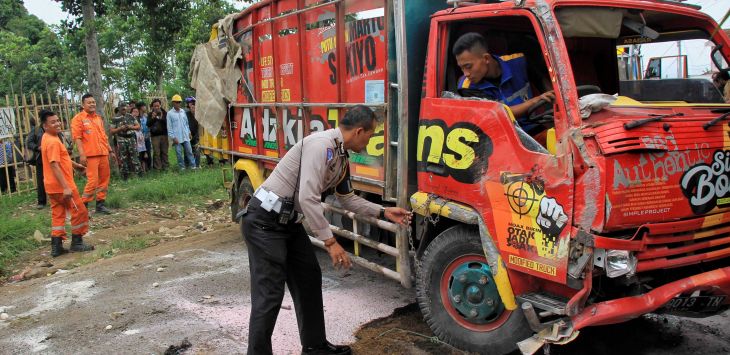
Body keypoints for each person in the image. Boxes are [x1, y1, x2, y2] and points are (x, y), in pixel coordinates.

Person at [241, 105, 412, 355]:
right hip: (264, 222)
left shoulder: (341, 157)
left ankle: (314, 347)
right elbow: (308, 197)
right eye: (372, 134)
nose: (372, 139)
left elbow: (348, 199)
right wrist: (330, 242)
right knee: (270, 294)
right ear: (359, 130)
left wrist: (383, 211)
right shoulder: (322, 145)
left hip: (289, 223)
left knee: (308, 279)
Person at [453, 32, 555, 134]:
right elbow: (499, 114)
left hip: (534, 125)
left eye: (468, 66)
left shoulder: (519, 61)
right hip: (503, 138)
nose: (465, 74)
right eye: (461, 68)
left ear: (486, 58)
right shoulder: (466, 87)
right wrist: (535, 101)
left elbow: (542, 79)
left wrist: (553, 96)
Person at [39, 109, 94, 257]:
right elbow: (54, 164)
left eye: (58, 121)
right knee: (80, 211)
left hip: (50, 186)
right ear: (45, 125)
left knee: (58, 214)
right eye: (53, 122)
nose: (57, 124)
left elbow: (61, 159)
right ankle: (77, 242)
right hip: (63, 186)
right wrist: (65, 187)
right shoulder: (52, 141)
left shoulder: (47, 138)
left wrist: (75, 165)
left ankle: (56, 247)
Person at [71, 93, 114, 214]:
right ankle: (83, 205)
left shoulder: (98, 118)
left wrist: (110, 151)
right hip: (90, 156)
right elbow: (77, 138)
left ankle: (100, 204)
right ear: (83, 104)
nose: (92, 104)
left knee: (104, 179)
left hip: (103, 153)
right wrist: (82, 154)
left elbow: (104, 137)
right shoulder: (78, 119)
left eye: (93, 102)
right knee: (93, 181)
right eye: (89, 102)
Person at [111, 103, 142, 180]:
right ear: (119, 108)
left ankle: (139, 174)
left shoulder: (130, 116)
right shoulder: (115, 118)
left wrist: (130, 127)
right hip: (121, 139)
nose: (124, 110)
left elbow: (138, 126)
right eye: (122, 109)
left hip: (131, 138)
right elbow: (111, 131)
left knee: (135, 156)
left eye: (125, 108)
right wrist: (120, 128)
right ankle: (125, 176)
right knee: (123, 157)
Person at [167, 94, 196, 170]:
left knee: (189, 152)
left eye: (179, 102)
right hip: (177, 137)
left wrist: (189, 132)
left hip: (185, 135)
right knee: (179, 153)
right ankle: (182, 167)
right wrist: (173, 138)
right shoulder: (170, 114)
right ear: (173, 103)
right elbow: (169, 128)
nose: (178, 103)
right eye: (176, 102)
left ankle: (193, 166)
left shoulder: (183, 111)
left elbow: (186, 123)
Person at [25, 117, 47, 208]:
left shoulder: (54, 129)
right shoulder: (36, 130)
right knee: (41, 180)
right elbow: (29, 143)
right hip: (40, 158)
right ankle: (41, 201)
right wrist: (37, 148)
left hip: (53, 156)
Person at [147, 99, 169, 170]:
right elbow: (148, 124)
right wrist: (153, 118)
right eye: (155, 106)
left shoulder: (165, 113)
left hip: (164, 135)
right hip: (155, 136)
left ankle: (165, 166)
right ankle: (157, 168)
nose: (156, 107)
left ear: (160, 105)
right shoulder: (150, 114)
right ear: (152, 107)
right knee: (157, 152)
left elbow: (167, 123)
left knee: (164, 151)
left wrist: (161, 116)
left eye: (158, 106)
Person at [185, 97, 201, 168]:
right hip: (188, 135)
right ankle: (187, 164)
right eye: (191, 107)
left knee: (197, 150)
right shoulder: (186, 114)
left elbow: (200, 127)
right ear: (190, 107)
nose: (193, 109)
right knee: (187, 150)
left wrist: (197, 136)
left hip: (197, 135)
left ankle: (197, 165)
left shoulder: (199, 115)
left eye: (194, 107)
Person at [137, 101, 153, 169]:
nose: (145, 107)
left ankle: (149, 168)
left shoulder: (146, 116)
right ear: (141, 107)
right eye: (144, 106)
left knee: (148, 153)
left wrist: (149, 133)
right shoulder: (137, 118)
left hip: (146, 137)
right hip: (140, 139)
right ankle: (142, 169)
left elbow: (149, 126)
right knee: (141, 154)